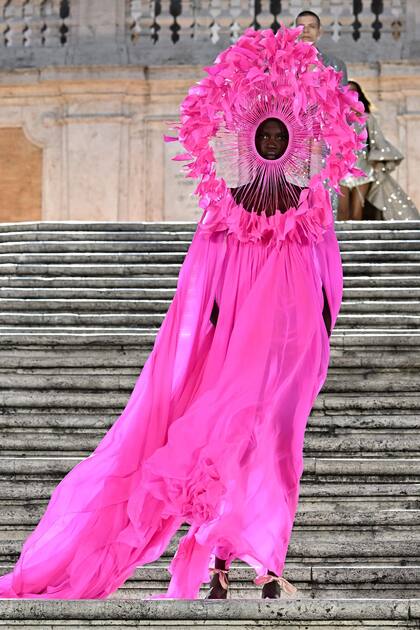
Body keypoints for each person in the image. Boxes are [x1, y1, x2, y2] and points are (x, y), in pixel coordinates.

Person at [0, 26, 359, 602]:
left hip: (285, 361)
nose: (270, 140)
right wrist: (207, 347)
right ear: (250, 140)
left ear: (291, 140)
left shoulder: (310, 215)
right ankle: (224, 560)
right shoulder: (225, 217)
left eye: (278, 132)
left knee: (273, 451)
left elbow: (325, 289)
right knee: (220, 453)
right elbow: (200, 293)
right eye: (263, 132)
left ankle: (260, 561)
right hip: (231, 361)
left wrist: (313, 344)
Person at [338, 80, 419, 220]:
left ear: (359, 95)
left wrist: (377, 160)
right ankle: (342, 242)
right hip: (340, 171)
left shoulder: (368, 120)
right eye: (347, 91)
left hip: (364, 171)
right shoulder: (336, 118)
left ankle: (357, 242)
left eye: (353, 92)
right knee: (342, 212)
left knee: (357, 213)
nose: (350, 95)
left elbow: (378, 141)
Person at [295, 10, 348, 85]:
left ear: (319, 32)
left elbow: (342, 95)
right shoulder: (283, 64)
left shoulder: (336, 64)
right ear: (295, 32)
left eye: (312, 26)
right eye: (301, 27)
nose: (306, 30)